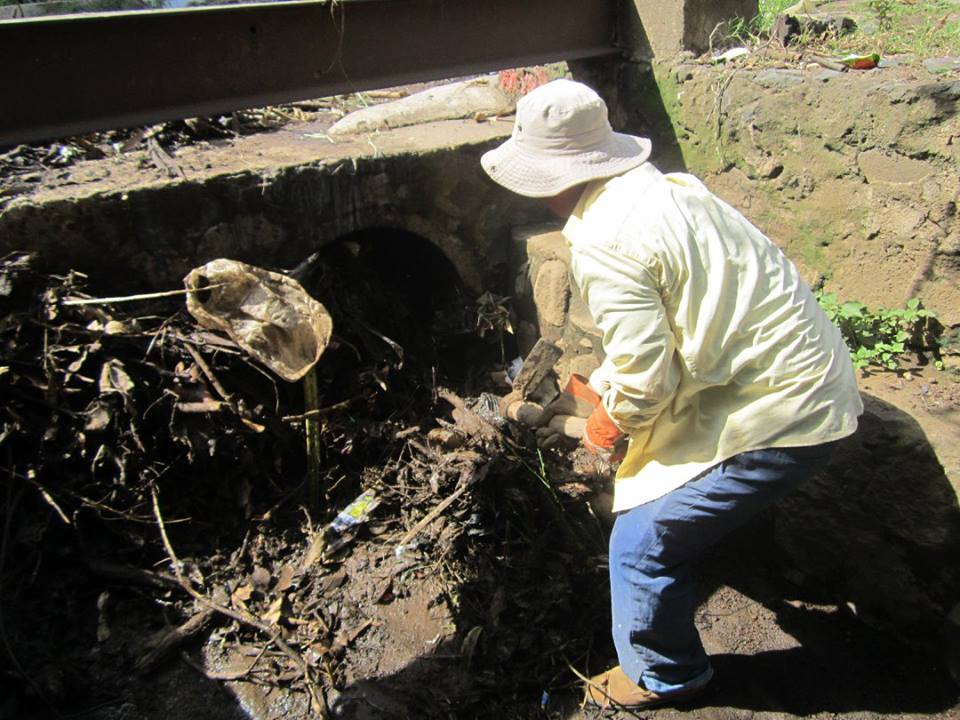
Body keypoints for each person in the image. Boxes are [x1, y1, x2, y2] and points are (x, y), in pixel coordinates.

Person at [480, 79, 863, 709]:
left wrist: (601, 431)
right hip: (800, 372)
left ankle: (667, 674)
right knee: (660, 494)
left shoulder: (603, 243)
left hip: (786, 410)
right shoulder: (664, 188)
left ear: (546, 180)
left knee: (637, 547)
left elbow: (648, 379)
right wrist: (599, 388)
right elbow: (673, 323)